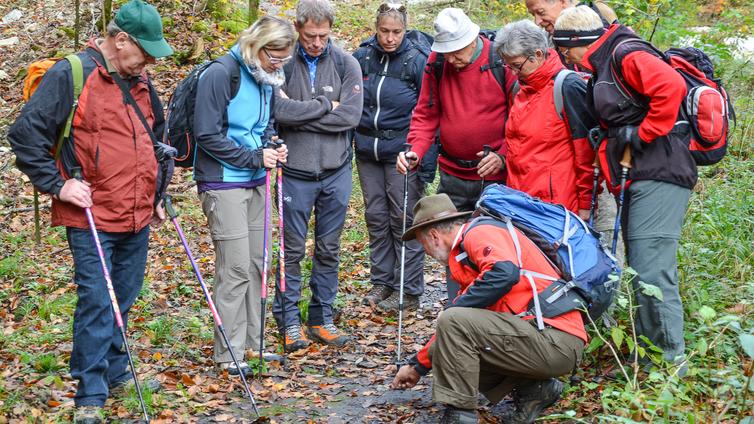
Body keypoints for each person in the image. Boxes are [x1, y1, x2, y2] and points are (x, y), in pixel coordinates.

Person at [8, 1, 173, 422]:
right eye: (146, 52)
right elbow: (25, 135)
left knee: (125, 296)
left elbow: (154, 139)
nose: (151, 62)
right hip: (91, 214)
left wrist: (156, 195)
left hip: (136, 211)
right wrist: (58, 184)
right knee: (98, 301)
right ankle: (90, 393)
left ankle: (115, 371)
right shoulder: (71, 74)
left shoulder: (139, 81)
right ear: (120, 40)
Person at [553, 6, 695, 373]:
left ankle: (669, 365)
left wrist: (643, 132)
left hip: (661, 172)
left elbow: (671, 86)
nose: (564, 57)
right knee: (638, 269)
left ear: (574, 42)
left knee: (651, 270)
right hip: (639, 174)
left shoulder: (624, 52)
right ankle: (646, 358)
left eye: (563, 49)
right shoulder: (603, 62)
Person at [390, 194, 586, 424]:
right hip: (544, 340)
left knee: (453, 319)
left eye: (424, 246)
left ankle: (459, 414)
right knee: (453, 330)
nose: (427, 253)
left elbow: (505, 272)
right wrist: (417, 366)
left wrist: (456, 308)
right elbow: (452, 332)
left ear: (433, 236)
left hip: (556, 339)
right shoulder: (471, 261)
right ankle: (535, 390)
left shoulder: (478, 233)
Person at [193, 16, 292, 376]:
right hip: (223, 182)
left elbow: (264, 125)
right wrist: (253, 156)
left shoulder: (264, 77)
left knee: (255, 264)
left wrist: (272, 146)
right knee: (234, 268)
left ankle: (253, 345)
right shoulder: (222, 73)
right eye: (274, 58)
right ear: (257, 46)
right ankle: (227, 353)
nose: (278, 65)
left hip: (256, 179)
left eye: (283, 60)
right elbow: (207, 133)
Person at [396, 8, 515, 301]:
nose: (451, 58)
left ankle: (493, 312)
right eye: (446, 52)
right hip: (452, 173)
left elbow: (520, 116)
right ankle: (457, 309)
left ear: (472, 39)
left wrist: (502, 155)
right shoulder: (437, 64)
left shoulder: (500, 60)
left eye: (456, 51)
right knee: (454, 246)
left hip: (495, 178)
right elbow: (426, 113)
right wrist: (415, 151)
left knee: (493, 244)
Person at [272, 0, 363, 352]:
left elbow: (351, 117)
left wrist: (300, 114)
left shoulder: (346, 63)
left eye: (324, 36)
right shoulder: (282, 62)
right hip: (294, 172)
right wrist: (327, 106)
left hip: (335, 171)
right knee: (291, 250)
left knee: (329, 248)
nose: (317, 43)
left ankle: (321, 318)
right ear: (298, 29)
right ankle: (288, 321)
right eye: (311, 36)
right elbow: (278, 111)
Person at [352, 3, 433, 313]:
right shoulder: (363, 57)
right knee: (375, 216)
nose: (389, 38)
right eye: (384, 31)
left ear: (405, 29)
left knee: (405, 218)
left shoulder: (416, 60)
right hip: (367, 151)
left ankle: (409, 289)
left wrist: (424, 162)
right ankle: (382, 281)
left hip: (402, 152)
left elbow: (429, 112)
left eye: (396, 32)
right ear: (376, 28)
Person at [494, 20, 595, 219]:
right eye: (508, 66)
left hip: (557, 207)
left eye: (516, 65)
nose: (513, 73)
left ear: (538, 55)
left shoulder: (567, 86)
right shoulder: (519, 89)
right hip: (519, 202)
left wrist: (586, 203)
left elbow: (586, 153)